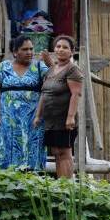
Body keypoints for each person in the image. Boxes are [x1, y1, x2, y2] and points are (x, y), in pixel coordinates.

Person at [0, 35, 51, 170]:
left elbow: (54, 79)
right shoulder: (3, 67)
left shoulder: (39, 67)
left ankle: (32, 185)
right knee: (6, 152)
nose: (29, 52)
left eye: (31, 49)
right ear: (15, 52)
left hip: (33, 121)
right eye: (25, 49)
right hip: (8, 122)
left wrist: (50, 64)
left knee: (32, 154)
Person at [34, 35, 83, 179]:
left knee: (65, 153)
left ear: (72, 52)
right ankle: (61, 186)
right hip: (51, 120)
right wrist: (38, 115)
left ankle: (67, 187)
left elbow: (75, 94)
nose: (61, 49)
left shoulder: (73, 69)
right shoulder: (51, 70)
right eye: (58, 46)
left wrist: (70, 117)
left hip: (64, 120)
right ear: (54, 49)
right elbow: (44, 93)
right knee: (56, 152)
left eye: (65, 47)